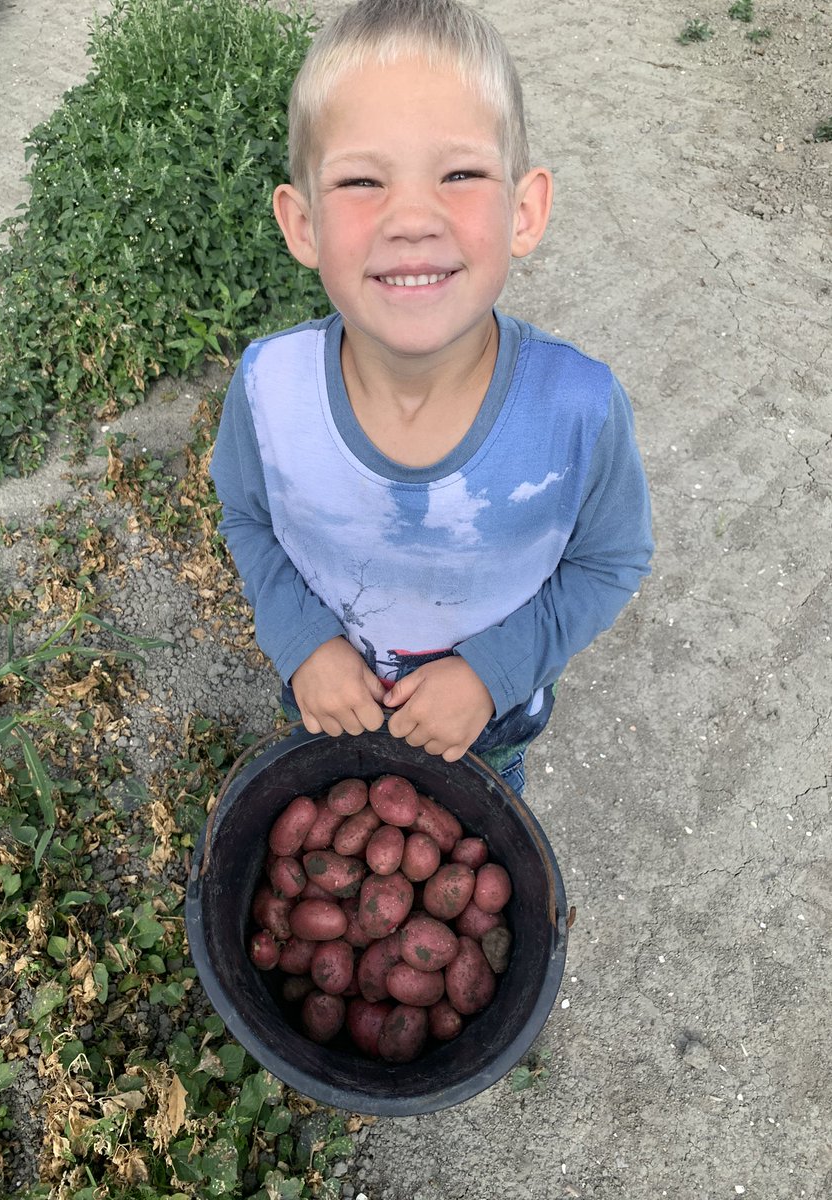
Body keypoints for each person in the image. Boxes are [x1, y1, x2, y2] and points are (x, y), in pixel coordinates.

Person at [210, 0, 653, 797]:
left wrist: (494, 673)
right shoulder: (269, 392)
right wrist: (303, 641)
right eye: (360, 181)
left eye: (459, 173)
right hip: (328, 710)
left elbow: (611, 558)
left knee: (487, 835)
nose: (412, 218)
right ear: (302, 223)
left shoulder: (578, 409)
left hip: (491, 728)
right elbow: (247, 517)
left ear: (525, 210)